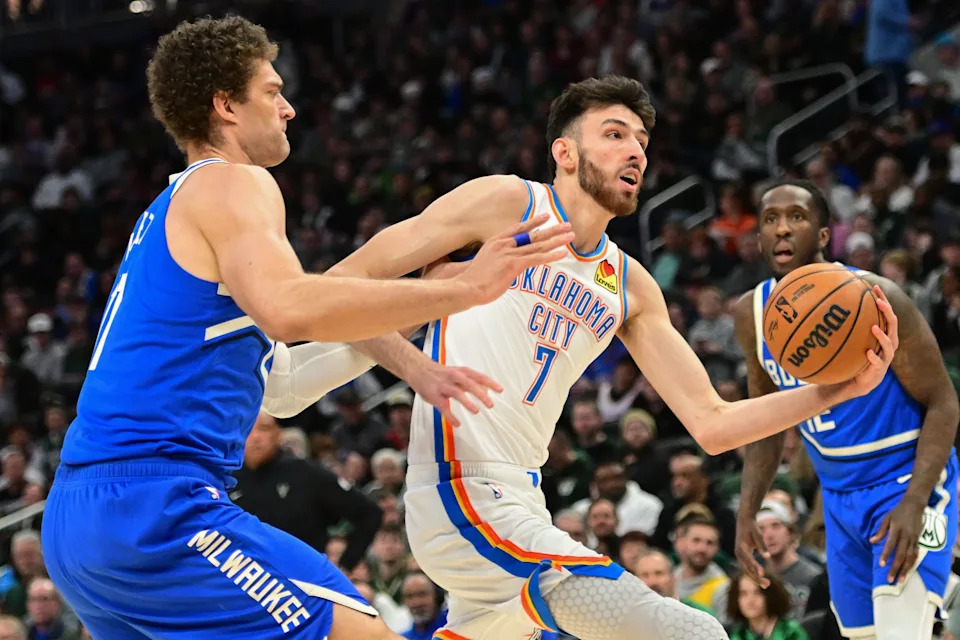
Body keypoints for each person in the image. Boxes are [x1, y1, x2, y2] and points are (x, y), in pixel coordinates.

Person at [40, 16, 573, 640]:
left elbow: (287, 375)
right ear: (224, 105)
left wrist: (413, 365)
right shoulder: (234, 182)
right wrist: (464, 289)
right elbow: (292, 309)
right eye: (271, 91)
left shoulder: (174, 210)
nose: (289, 108)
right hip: (156, 505)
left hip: (79, 522)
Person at [326, 76, 899, 639]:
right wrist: (415, 364)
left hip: (525, 495)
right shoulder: (508, 202)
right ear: (565, 152)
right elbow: (349, 281)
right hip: (460, 488)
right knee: (691, 634)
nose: (635, 152)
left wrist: (840, 389)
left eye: (642, 144)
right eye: (616, 135)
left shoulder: (630, 284)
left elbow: (714, 423)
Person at [733, 180, 960, 640]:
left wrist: (916, 502)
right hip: (839, 501)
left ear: (822, 235)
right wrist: (746, 512)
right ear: (758, 239)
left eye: (796, 217)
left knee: (903, 631)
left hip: (905, 481)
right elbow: (766, 425)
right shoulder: (751, 313)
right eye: (770, 220)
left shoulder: (875, 297)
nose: (781, 230)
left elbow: (943, 402)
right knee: (864, 636)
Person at [231, 411, 383, 572]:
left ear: (279, 434)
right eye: (248, 429)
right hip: (245, 584)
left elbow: (370, 513)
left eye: (264, 429)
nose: (255, 437)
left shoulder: (305, 473)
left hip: (304, 582)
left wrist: (344, 566)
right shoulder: (225, 481)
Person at [726, 572, 810, 640]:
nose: (750, 600)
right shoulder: (739, 635)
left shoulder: (791, 632)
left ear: (772, 595)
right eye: (743, 593)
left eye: (757, 592)